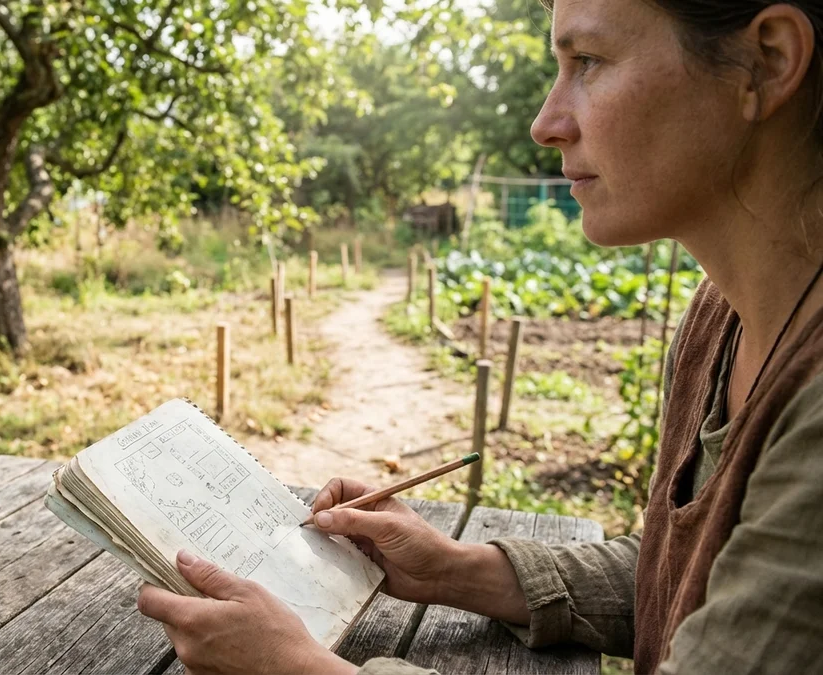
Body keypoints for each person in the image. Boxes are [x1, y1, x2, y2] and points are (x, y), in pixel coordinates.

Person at [137, 0, 823, 673]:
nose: (545, 123)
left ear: (766, 62)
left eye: (588, 60)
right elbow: (682, 584)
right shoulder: (717, 321)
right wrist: (457, 569)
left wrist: (294, 668)